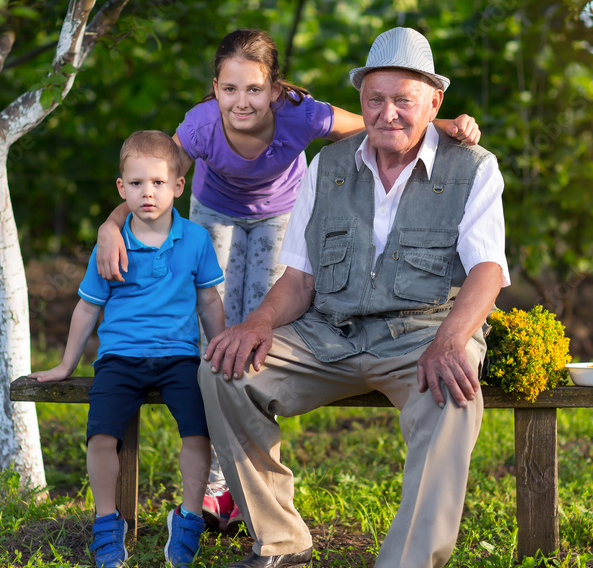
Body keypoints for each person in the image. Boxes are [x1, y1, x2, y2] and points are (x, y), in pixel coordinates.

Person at [94, 29, 482, 533]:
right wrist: (110, 224)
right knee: (214, 330)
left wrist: (444, 123)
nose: (241, 101)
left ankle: (237, 486)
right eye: (229, 89)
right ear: (214, 89)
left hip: (282, 213)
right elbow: (155, 175)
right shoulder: (200, 127)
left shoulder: (303, 113)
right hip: (216, 212)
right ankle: (215, 484)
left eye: (254, 89)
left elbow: (367, 125)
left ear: (275, 89)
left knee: (256, 335)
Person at [199, 27, 509, 568]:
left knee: (452, 394)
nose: (387, 112)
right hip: (329, 333)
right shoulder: (329, 164)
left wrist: (451, 339)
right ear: (360, 102)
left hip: (422, 333)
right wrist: (256, 324)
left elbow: (487, 270)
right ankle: (280, 538)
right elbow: (300, 276)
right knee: (222, 368)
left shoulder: (473, 167)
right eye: (374, 99)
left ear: (434, 104)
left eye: (403, 99)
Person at [28, 130, 226, 568]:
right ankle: (106, 522)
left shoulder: (194, 239)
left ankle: (189, 516)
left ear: (178, 186)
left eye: (158, 182)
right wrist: (66, 364)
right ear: (122, 188)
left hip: (179, 357)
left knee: (198, 433)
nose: (147, 192)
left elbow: (210, 301)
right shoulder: (111, 244)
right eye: (136, 184)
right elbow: (87, 307)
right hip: (119, 358)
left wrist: (218, 350)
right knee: (101, 437)